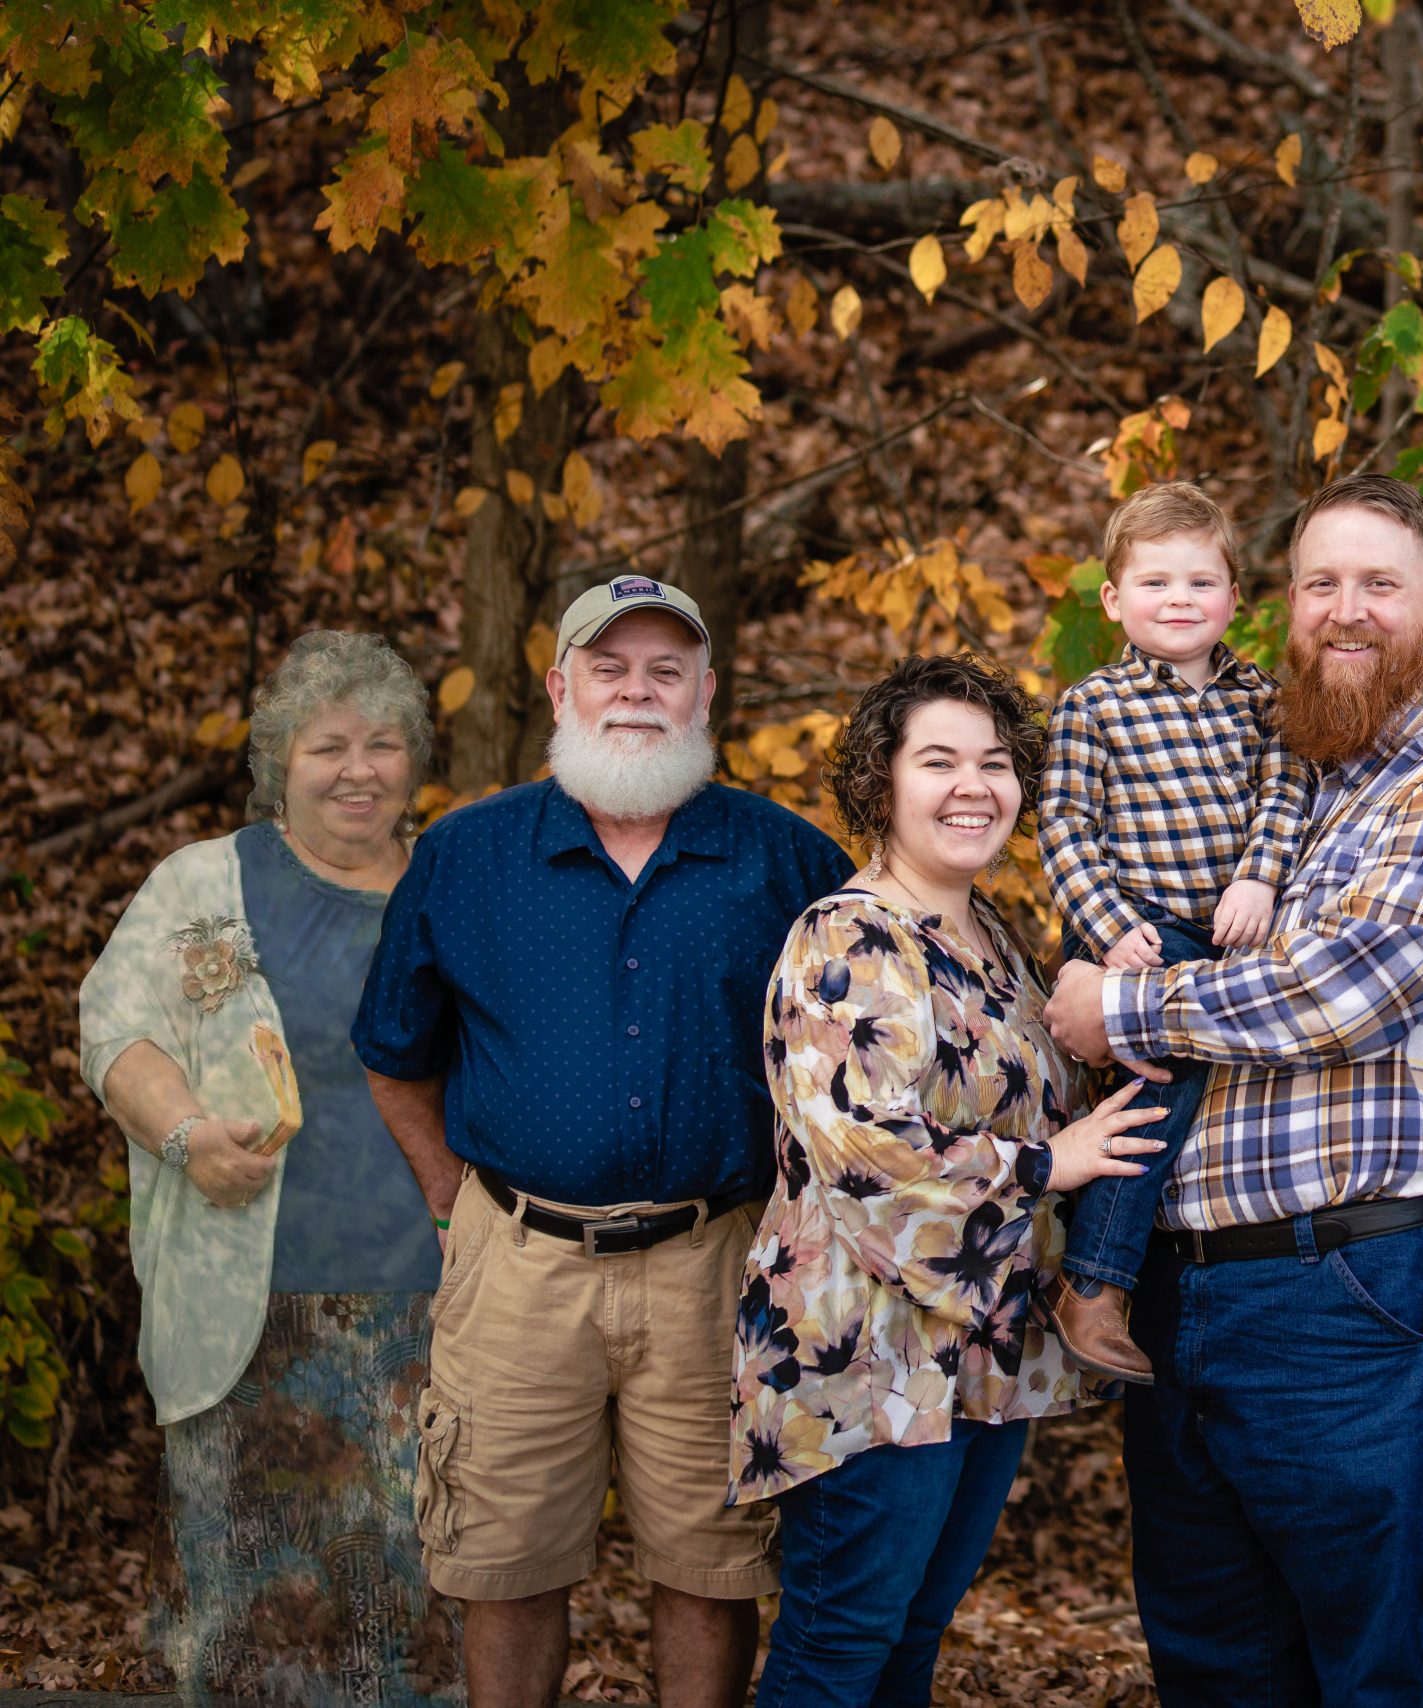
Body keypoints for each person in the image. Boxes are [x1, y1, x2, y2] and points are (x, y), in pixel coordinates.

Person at [1044, 474, 1423, 1708]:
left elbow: (1344, 992)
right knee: (1213, 1669)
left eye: (1379, 583)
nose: (1345, 609)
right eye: (1321, 582)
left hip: (1351, 1295)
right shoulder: (1286, 770)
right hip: (1183, 1284)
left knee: (1365, 1672)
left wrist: (1120, 1008)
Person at [352, 575, 848, 1708]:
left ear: (705, 694)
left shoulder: (786, 860)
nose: (636, 691)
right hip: (518, 1265)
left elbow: (850, 1064)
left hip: (717, 1264)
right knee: (506, 1565)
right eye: (609, 668)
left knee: (711, 1567)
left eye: (666, 671)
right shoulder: (468, 855)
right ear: (559, 686)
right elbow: (393, 1051)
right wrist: (451, 1204)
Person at [731, 652, 1169, 1706]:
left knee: (910, 1641)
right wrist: (1048, 1162)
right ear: (880, 782)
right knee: (839, 1647)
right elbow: (864, 1150)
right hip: (868, 1356)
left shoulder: (994, 938)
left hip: (980, 1356)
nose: (974, 785)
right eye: (939, 761)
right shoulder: (847, 936)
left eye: (995, 762)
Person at [78, 629, 458, 1704]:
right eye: (327, 746)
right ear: (279, 762)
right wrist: (184, 1133)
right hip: (240, 1310)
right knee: (245, 1611)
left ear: (413, 760)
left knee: (414, 1608)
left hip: (432, 1313)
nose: (357, 770)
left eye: (383, 745)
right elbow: (115, 1030)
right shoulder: (204, 884)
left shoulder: (455, 886)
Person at [1036, 480, 1311, 1382]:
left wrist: (1260, 874)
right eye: (1156, 583)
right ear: (1115, 601)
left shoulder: (1263, 699)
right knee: (1166, 1077)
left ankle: (1143, 1275)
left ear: (1234, 596)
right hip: (1137, 927)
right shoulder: (1093, 705)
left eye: (1201, 582)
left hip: (1229, 921)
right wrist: (1111, 928)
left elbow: (1286, 793)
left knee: (1205, 1076)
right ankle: (1092, 1281)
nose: (1180, 600)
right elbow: (1065, 829)